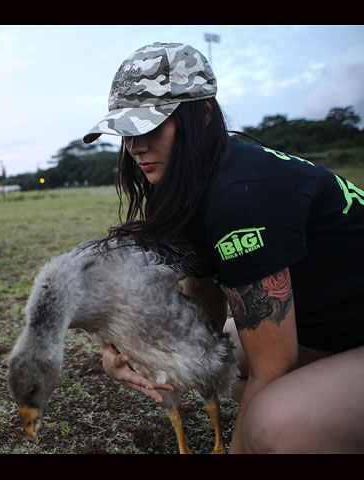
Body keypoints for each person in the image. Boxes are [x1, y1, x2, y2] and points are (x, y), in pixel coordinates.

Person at [83, 42, 364, 453]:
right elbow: (201, 288)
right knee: (223, 362)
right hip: (336, 331)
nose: (135, 146)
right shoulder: (188, 181)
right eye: (126, 131)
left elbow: (273, 364)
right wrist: (131, 352)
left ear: (205, 115)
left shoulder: (240, 195)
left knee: (272, 426)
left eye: (152, 126)